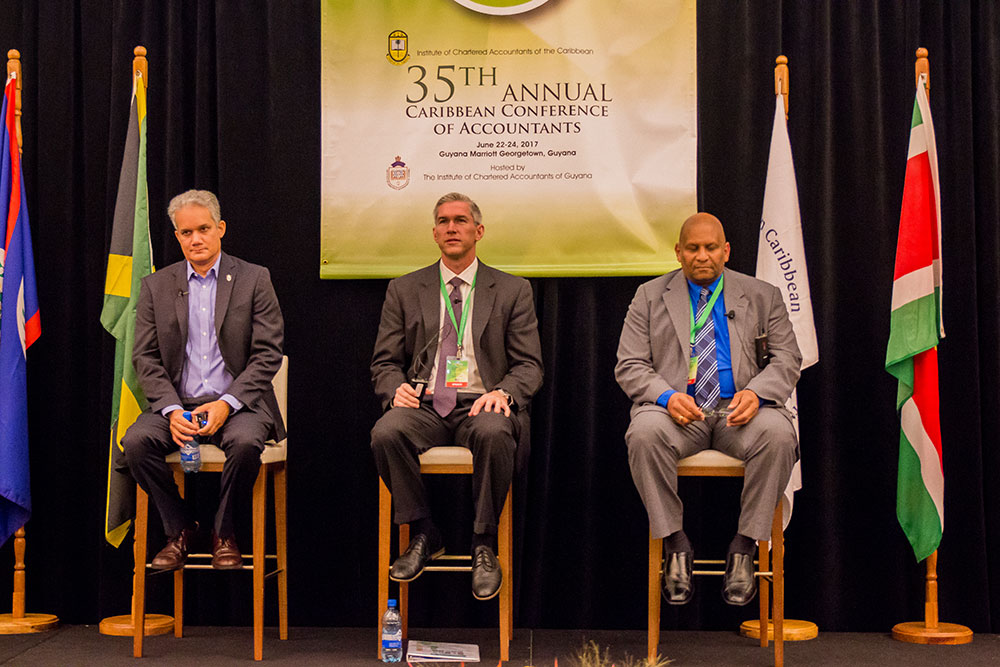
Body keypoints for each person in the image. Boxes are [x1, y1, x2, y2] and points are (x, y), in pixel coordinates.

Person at [615, 212, 800, 606]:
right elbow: (629, 365)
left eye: (711, 247)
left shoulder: (763, 295)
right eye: (693, 248)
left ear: (726, 251)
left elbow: (787, 359)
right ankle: (675, 544)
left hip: (740, 411)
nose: (702, 255)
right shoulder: (649, 296)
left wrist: (757, 393)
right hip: (678, 413)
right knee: (643, 434)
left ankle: (744, 547)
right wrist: (666, 396)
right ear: (678, 252)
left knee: (780, 434)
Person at [370, 192, 542, 601]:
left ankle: (483, 543)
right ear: (434, 234)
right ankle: (424, 531)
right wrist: (395, 388)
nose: (451, 228)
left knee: (494, 432)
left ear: (478, 231)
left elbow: (529, 366)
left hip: (482, 403)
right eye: (443, 222)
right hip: (426, 404)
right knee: (386, 432)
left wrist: (504, 393)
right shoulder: (404, 289)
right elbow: (384, 362)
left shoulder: (512, 290)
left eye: (460, 220)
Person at [122, 189, 284, 571]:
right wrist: (171, 410)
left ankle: (224, 533)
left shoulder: (254, 278)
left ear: (220, 228)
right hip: (178, 406)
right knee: (135, 442)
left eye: (203, 229)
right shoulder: (156, 286)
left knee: (245, 444)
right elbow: (145, 357)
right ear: (177, 236)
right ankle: (180, 528)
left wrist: (227, 403)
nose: (195, 239)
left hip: (238, 405)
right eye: (186, 232)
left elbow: (268, 353)